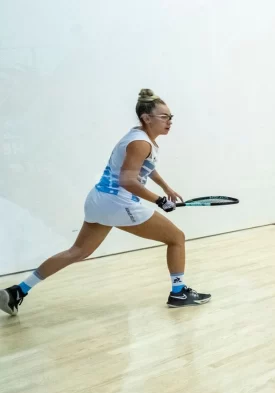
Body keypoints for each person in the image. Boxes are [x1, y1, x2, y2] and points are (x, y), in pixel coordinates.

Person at [0, 89, 211, 316]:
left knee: (77, 251)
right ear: (146, 118)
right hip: (118, 203)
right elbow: (128, 180)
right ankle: (179, 293)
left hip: (98, 200)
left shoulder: (139, 137)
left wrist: (165, 187)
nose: (169, 121)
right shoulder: (140, 143)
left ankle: (17, 291)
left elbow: (146, 167)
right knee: (176, 238)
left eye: (171, 116)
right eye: (164, 116)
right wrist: (159, 200)